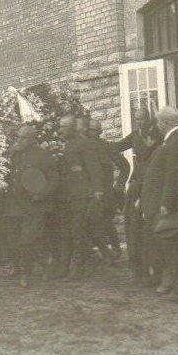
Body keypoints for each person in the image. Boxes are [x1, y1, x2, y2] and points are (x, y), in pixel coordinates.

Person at [141, 106, 178, 300]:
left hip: (168, 205)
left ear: (164, 123)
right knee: (169, 245)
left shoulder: (176, 141)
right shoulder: (176, 139)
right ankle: (174, 283)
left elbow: (174, 175)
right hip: (162, 202)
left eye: (158, 122)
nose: (157, 126)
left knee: (173, 246)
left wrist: (166, 203)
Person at [0, 124, 60, 286]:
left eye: (23, 137)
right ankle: (34, 265)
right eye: (18, 136)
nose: (19, 140)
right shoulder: (14, 154)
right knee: (13, 240)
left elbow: (54, 179)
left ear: (33, 139)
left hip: (33, 205)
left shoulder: (42, 156)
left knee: (28, 240)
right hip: (14, 205)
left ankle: (27, 273)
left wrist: (41, 194)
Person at [111, 108, 163, 284]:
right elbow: (117, 147)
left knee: (148, 230)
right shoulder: (135, 136)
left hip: (151, 184)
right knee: (133, 228)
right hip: (137, 184)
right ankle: (138, 269)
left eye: (142, 119)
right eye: (136, 119)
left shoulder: (156, 136)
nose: (139, 122)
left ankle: (153, 271)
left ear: (148, 119)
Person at [59, 114, 104, 280]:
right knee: (66, 231)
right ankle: (65, 266)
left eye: (64, 127)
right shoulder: (65, 144)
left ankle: (78, 267)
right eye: (60, 126)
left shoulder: (83, 144)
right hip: (66, 194)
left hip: (80, 193)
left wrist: (97, 190)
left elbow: (94, 167)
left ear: (73, 128)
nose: (61, 130)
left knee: (78, 230)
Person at [89, 119, 129, 264]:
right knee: (93, 222)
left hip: (105, 192)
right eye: (89, 130)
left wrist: (120, 184)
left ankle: (115, 248)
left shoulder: (106, 147)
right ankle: (104, 252)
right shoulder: (84, 147)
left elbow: (125, 166)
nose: (90, 133)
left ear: (100, 132)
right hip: (89, 192)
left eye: (94, 130)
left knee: (104, 221)